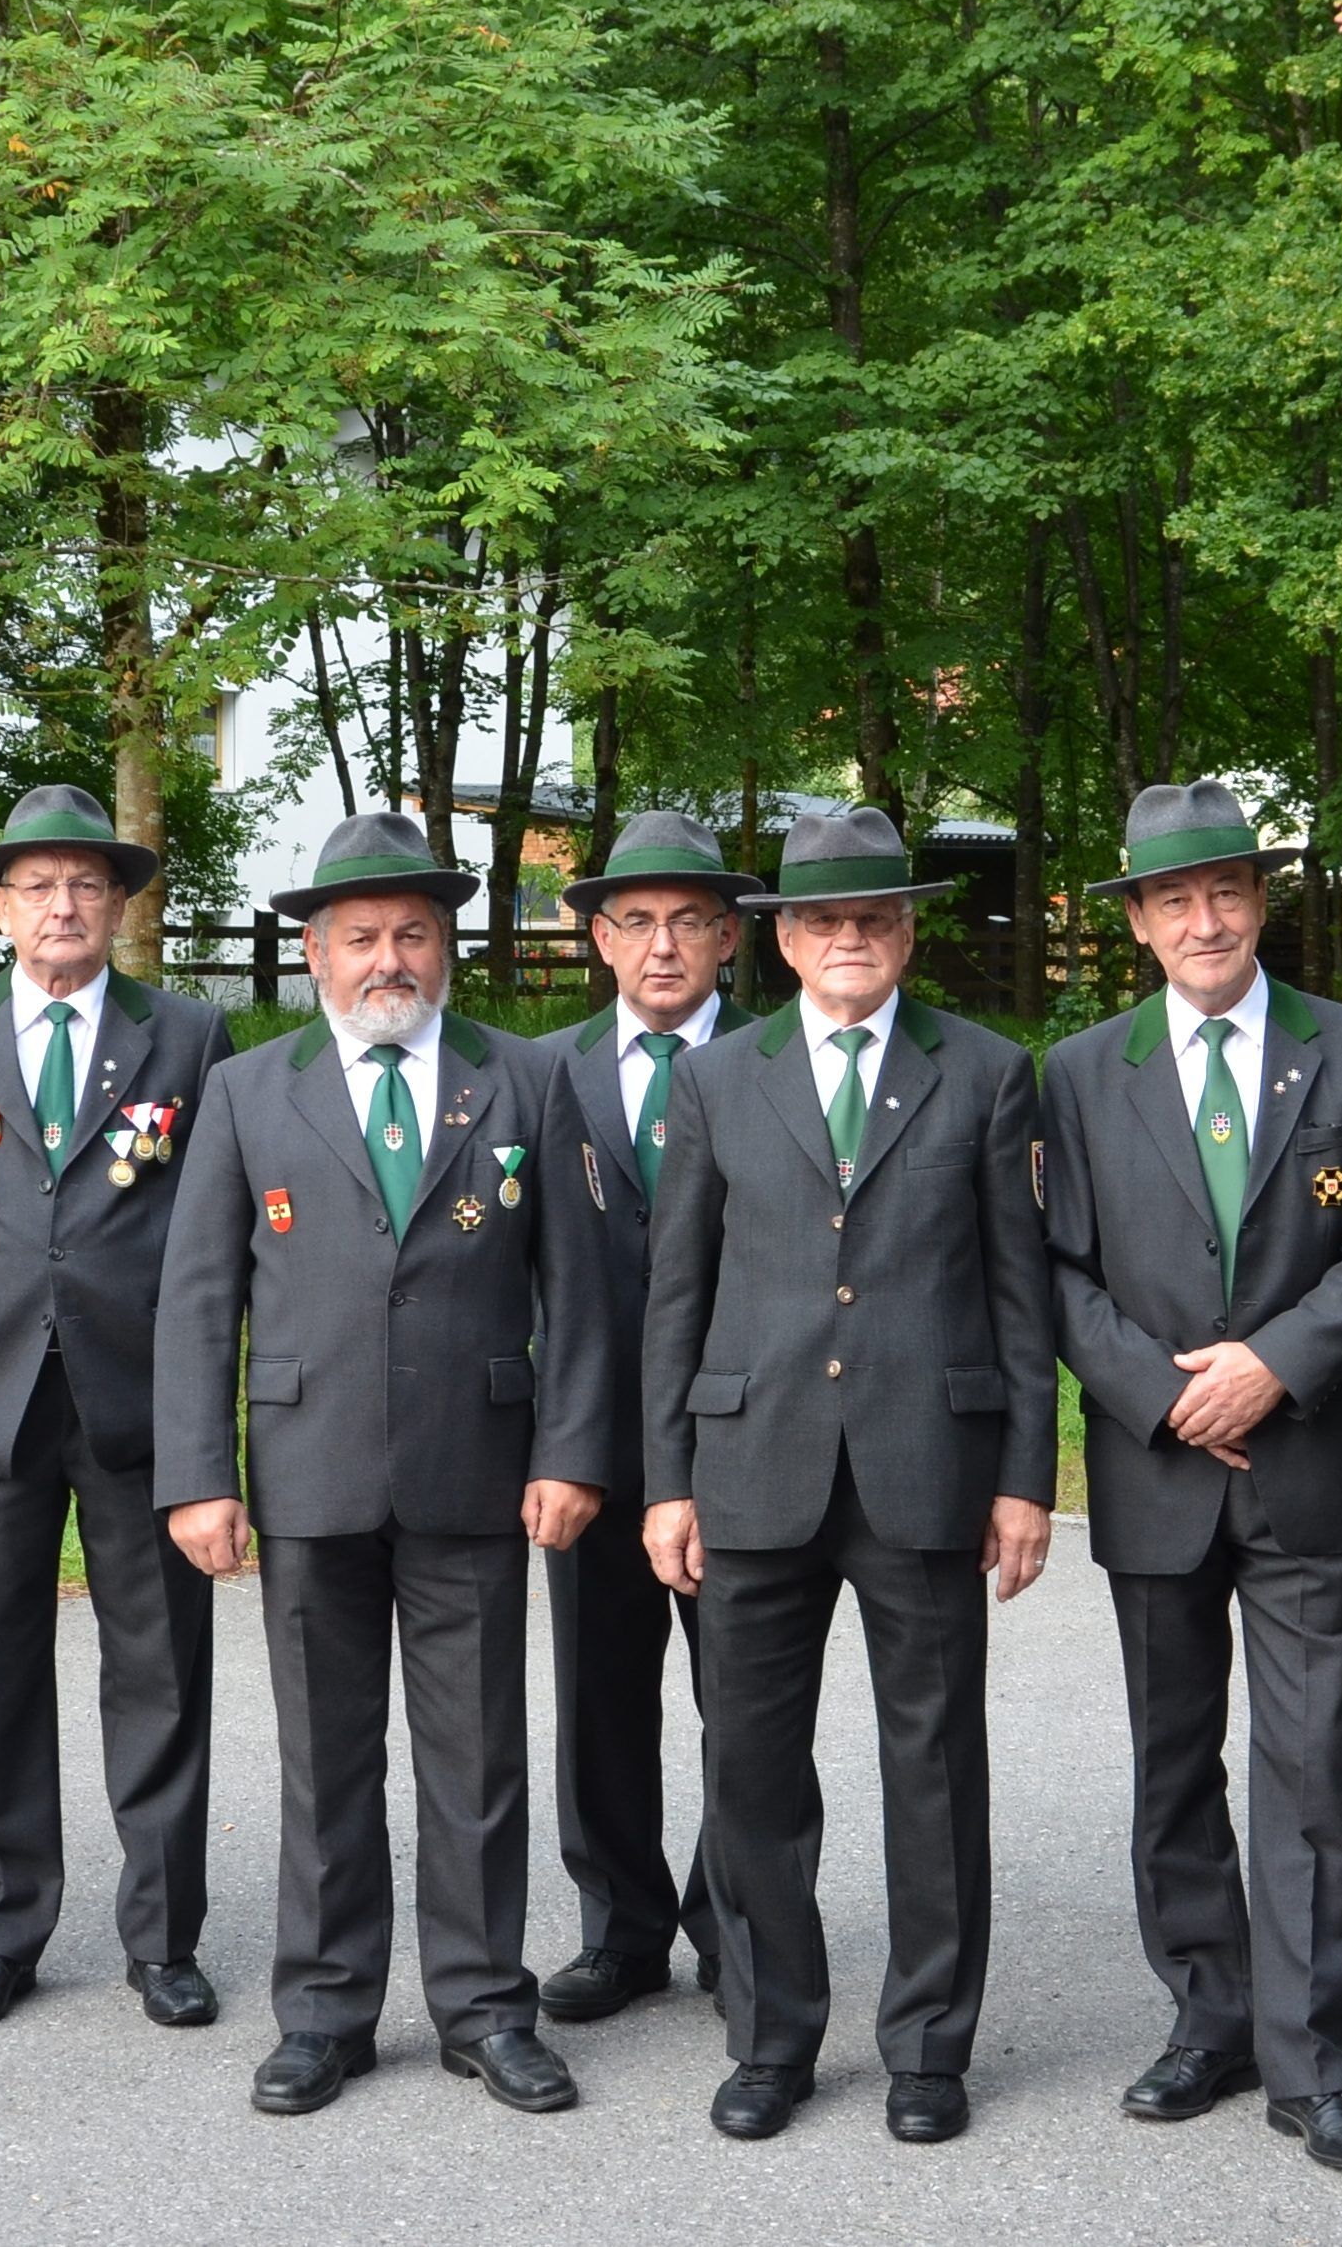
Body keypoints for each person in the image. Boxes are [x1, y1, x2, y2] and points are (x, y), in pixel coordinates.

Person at [152, 812, 607, 2119]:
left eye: (412, 933)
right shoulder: (248, 1088)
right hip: (306, 1474)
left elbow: (575, 1294)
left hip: (478, 1466)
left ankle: (482, 2009)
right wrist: (199, 1473)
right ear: (313, 951)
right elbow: (194, 1297)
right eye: (359, 937)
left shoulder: (520, 1079)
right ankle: (324, 2014)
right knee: (325, 1759)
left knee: (476, 1762)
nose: (387, 958)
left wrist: (571, 1449)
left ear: (444, 943)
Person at [640, 804, 1058, 2147]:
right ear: (781, 940)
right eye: (824, 920)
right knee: (749, 1768)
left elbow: (1019, 1293)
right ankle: (769, 2036)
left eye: (873, 917)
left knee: (932, 1767)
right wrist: (667, 1479)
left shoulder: (987, 1072)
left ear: (908, 930)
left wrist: (1023, 1477)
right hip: (750, 1464)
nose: (850, 939)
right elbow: (675, 1295)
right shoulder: (715, 1082)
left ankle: (930, 2047)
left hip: (927, 1465)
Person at [1038, 781, 1342, 2174]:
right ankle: (1207, 2018)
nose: (1204, 920)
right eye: (1173, 900)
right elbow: (1060, 1273)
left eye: (1227, 893)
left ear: (1260, 902)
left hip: (1304, 1459)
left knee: (1309, 1759)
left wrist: (1269, 1364)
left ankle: (1314, 2062)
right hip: (1156, 1469)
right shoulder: (1081, 1074)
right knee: (1170, 1759)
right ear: (1137, 923)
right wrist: (1161, 1391)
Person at [0, 785, 234, 2038]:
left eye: (87, 883)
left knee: (161, 1673)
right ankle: (0, 1932)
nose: (63, 904)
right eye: (37, 885)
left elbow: (213, 1229)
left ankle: (163, 1935)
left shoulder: (189, 1035)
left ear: (121, 900)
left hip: (141, 1395)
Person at [528, 812, 762, 2025]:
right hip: (594, 1445)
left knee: (747, 1695)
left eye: (687, 920)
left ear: (728, 934)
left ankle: (737, 1920)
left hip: (746, 1438)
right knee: (600, 1695)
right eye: (635, 921)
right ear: (600, 939)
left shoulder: (779, 1066)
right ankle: (620, 1927)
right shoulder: (542, 1074)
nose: (662, 944)